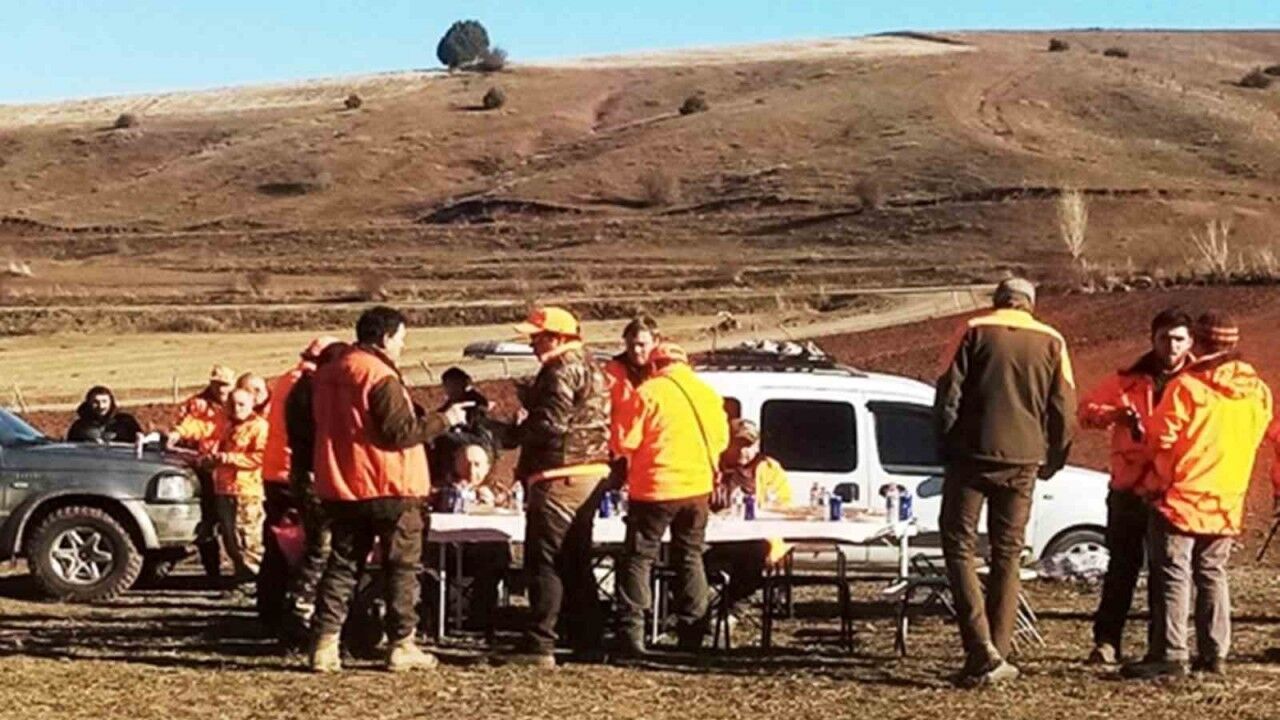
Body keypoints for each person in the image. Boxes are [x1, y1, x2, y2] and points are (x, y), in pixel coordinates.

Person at [308, 307, 467, 673]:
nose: (401, 346)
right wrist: (445, 419)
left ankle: (324, 644)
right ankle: (401, 643)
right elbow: (400, 432)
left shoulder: (326, 374)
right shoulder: (378, 375)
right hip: (390, 484)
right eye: (400, 339)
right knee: (402, 567)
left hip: (342, 483)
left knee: (343, 565)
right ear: (385, 338)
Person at [934, 277, 1076, 688]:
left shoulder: (971, 330)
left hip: (971, 456)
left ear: (997, 300)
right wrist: (1054, 458)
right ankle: (998, 650)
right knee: (1008, 554)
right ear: (1030, 304)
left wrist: (946, 447)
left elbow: (947, 394)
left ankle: (980, 649)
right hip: (1024, 460)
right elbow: (1064, 408)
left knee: (958, 546)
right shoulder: (1053, 340)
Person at [1122, 312, 1273, 680]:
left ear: (1199, 342)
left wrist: (1155, 478)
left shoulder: (1187, 387)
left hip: (1181, 495)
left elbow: (1160, 438)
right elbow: (1258, 435)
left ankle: (1171, 654)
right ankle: (1215, 652)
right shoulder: (1258, 390)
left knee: (1174, 572)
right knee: (1212, 572)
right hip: (1227, 496)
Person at [495, 306, 611, 668]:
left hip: (559, 473)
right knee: (575, 559)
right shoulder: (594, 367)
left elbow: (551, 425)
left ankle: (539, 642)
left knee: (544, 560)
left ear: (558, 338)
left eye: (537, 337)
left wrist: (509, 433)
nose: (532, 344)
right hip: (591, 471)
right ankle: (588, 640)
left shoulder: (558, 369)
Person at [1077, 308, 1193, 665]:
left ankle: (1160, 645)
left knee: (1167, 571)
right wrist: (1116, 415)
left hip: (1172, 490)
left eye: (1179, 339)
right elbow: (1086, 411)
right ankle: (1107, 641)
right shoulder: (1128, 379)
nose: (1171, 346)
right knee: (1122, 568)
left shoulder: (1199, 384)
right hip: (1128, 488)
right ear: (1152, 340)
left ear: (1190, 342)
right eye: (1164, 338)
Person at [617, 343, 729, 655]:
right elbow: (721, 440)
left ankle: (632, 634)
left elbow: (626, 441)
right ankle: (692, 633)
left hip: (654, 487)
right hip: (697, 490)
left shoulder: (647, 393)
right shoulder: (707, 394)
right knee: (690, 556)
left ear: (654, 365)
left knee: (639, 558)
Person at [257, 337, 339, 631]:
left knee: (276, 546)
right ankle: (297, 612)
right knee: (313, 545)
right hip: (299, 473)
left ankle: (270, 610)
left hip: (275, 472)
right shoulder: (311, 386)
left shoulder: (285, 380)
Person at [283, 341, 349, 640]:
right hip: (314, 475)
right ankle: (302, 610)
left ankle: (303, 608)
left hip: (305, 473)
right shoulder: (312, 391)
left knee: (319, 543)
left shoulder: (304, 388)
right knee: (322, 544)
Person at [705, 418, 792, 615]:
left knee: (755, 553)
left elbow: (783, 506)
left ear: (757, 446)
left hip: (755, 539)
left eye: (748, 445)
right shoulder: (710, 467)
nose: (742, 451)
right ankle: (703, 608)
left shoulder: (770, 469)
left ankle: (733, 611)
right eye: (737, 445)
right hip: (713, 538)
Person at [169, 364, 237, 579]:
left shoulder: (240, 404)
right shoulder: (197, 404)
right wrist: (177, 434)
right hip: (205, 470)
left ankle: (241, 571)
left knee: (236, 525)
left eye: (224, 384)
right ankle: (213, 573)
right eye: (217, 384)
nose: (220, 388)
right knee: (207, 522)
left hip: (234, 471)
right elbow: (191, 427)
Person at [211, 387, 270, 586]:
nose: (236, 408)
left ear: (252, 404)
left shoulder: (259, 427)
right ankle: (242, 577)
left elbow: (261, 456)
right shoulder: (228, 426)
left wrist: (231, 458)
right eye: (232, 404)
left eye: (241, 404)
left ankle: (258, 580)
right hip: (224, 489)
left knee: (248, 538)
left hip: (247, 491)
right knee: (231, 539)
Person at [66, 385, 143, 444]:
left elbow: (141, 443)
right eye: (96, 402)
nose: (101, 406)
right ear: (88, 403)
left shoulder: (126, 422)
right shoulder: (79, 426)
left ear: (111, 402)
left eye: (104, 401)